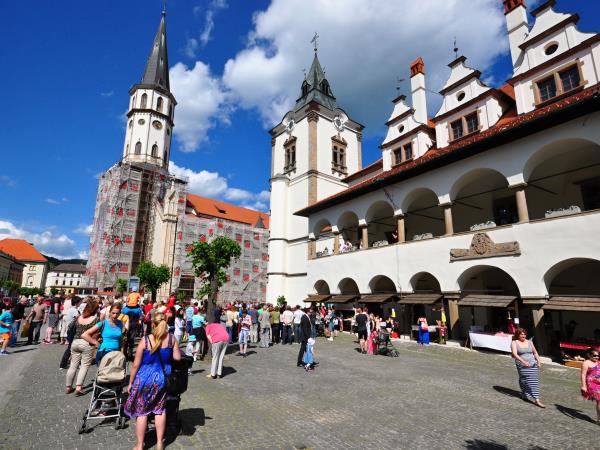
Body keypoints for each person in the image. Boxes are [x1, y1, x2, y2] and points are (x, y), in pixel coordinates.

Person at [125, 312, 181, 450]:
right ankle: (160, 443)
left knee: (142, 411)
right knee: (160, 410)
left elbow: (136, 365)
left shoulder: (146, 340)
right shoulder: (171, 339)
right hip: (161, 379)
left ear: (152, 324)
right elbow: (178, 358)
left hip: (144, 379)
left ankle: (139, 445)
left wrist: (131, 382)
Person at [65, 300, 99, 395]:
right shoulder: (95, 319)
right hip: (87, 343)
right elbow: (97, 331)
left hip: (75, 342)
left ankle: (68, 387)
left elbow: (70, 327)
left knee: (73, 365)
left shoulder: (79, 317)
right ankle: (78, 388)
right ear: (95, 309)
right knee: (84, 366)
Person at [510, 328, 545, 408]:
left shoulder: (530, 342)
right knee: (524, 379)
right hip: (522, 364)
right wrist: (523, 361)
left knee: (534, 381)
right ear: (518, 335)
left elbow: (535, 353)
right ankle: (524, 393)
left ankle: (537, 399)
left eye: (524, 334)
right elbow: (515, 354)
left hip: (533, 364)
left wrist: (539, 361)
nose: (523, 335)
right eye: (521, 334)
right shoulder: (514, 342)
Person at [59, 296, 82, 369]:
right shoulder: (75, 311)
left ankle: (66, 363)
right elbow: (78, 320)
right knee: (72, 348)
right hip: (73, 331)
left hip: (70, 330)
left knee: (71, 348)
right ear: (77, 302)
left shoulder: (70, 310)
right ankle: (64, 364)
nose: (80, 303)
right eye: (80, 302)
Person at [580, 347, 600, 423]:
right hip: (592, 384)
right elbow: (583, 375)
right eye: (594, 355)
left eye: (598, 355)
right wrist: (584, 386)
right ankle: (599, 419)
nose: (596, 357)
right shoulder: (586, 363)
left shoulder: (598, 362)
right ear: (589, 355)